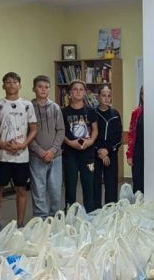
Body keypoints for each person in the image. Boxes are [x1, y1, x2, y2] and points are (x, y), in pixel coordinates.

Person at [0, 72, 37, 234]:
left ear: (20, 85)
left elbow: (33, 129)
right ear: (3, 85)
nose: (11, 84)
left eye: (15, 82)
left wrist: (24, 144)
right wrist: (1, 143)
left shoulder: (27, 105)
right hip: (2, 156)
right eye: (8, 82)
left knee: (21, 190)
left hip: (21, 156)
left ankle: (20, 223)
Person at [29, 74, 65, 218]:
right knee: (38, 189)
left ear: (49, 89)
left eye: (46, 87)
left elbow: (61, 130)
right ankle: (41, 220)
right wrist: (39, 151)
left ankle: (54, 216)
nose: (43, 90)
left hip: (55, 157)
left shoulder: (55, 108)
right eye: (40, 87)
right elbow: (27, 134)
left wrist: (53, 150)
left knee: (55, 189)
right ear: (34, 89)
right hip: (36, 157)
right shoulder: (28, 107)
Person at [62, 80, 98, 212]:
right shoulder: (64, 112)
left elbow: (95, 130)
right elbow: (61, 131)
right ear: (70, 93)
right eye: (75, 89)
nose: (78, 92)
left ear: (85, 92)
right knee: (70, 185)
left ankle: (90, 212)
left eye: (81, 89)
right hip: (70, 153)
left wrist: (90, 142)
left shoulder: (90, 111)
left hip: (87, 153)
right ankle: (70, 212)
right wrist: (70, 142)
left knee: (88, 185)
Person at [95, 84, 123, 206]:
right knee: (94, 184)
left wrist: (108, 151)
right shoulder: (92, 113)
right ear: (98, 97)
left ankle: (110, 210)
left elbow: (118, 137)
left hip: (111, 152)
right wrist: (100, 151)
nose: (106, 98)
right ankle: (95, 211)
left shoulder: (115, 114)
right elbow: (90, 134)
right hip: (95, 152)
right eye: (103, 95)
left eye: (109, 96)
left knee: (111, 184)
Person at [127, 88, 144, 194]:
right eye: (142, 94)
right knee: (138, 182)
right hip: (138, 151)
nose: (145, 96)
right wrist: (129, 154)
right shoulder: (136, 112)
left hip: (153, 152)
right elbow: (131, 133)